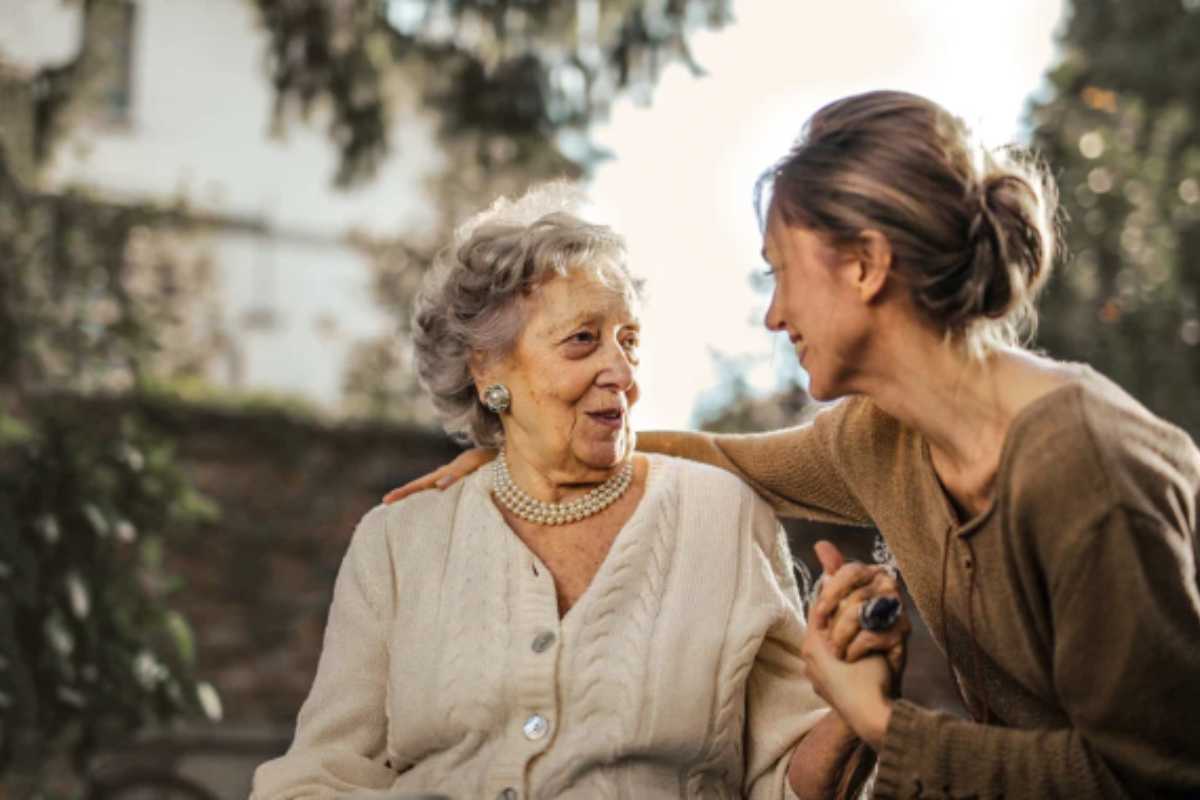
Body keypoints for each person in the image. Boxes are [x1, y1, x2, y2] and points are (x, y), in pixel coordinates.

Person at [384, 92, 1200, 798]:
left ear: (866, 266)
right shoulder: (882, 438)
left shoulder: (1084, 469)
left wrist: (877, 719)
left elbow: (1153, 777)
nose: (774, 315)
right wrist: (523, 451)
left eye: (780, 271)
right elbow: (721, 458)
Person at [252, 184, 908, 800]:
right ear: (488, 370)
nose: (620, 373)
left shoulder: (723, 518)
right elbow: (323, 776)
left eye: (630, 342)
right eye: (583, 342)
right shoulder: (399, 541)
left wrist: (855, 709)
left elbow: (785, 782)